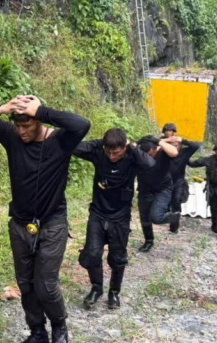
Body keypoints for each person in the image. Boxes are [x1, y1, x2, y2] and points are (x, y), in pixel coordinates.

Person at [0, 95, 90, 343]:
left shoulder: (61, 141)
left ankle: (60, 328)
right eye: (18, 125)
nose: (22, 131)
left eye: (27, 125)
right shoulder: (11, 136)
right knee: (25, 283)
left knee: (45, 284)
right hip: (20, 224)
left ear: (39, 121)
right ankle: (37, 331)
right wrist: (4, 108)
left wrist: (41, 110)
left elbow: (81, 124)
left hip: (52, 224)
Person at [73, 129, 155, 310]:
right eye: (108, 151)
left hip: (120, 216)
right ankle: (96, 289)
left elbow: (150, 164)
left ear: (124, 147)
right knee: (92, 253)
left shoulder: (132, 158)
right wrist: (99, 143)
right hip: (98, 213)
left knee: (117, 257)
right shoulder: (99, 154)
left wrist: (131, 147)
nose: (112, 156)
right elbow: (74, 146)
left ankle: (114, 292)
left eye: (116, 152)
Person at [135, 135, 180, 252]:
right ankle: (148, 241)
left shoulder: (162, 153)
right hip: (144, 190)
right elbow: (130, 146)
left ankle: (174, 217)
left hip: (162, 190)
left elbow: (174, 152)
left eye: (150, 155)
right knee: (145, 219)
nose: (148, 159)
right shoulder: (139, 154)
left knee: (156, 217)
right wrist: (139, 141)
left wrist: (159, 141)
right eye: (145, 156)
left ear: (156, 149)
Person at [162, 124, 202, 234]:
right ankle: (165, 218)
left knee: (176, 202)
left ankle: (174, 227)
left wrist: (182, 140)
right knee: (166, 202)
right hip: (165, 181)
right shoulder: (165, 152)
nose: (175, 146)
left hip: (178, 181)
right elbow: (154, 143)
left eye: (177, 144)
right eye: (173, 145)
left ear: (180, 145)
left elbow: (196, 146)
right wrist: (166, 140)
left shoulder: (184, 153)